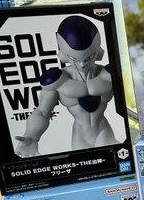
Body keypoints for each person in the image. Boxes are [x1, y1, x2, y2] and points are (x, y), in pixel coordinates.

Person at [15, 15, 119, 157]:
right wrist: (32, 136)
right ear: (63, 54)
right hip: (79, 137)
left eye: (89, 57)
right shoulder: (57, 80)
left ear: (98, 52)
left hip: (104, 132)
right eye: (74, 58)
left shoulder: (109, 74)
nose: (82, 64)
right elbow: (42, 112)